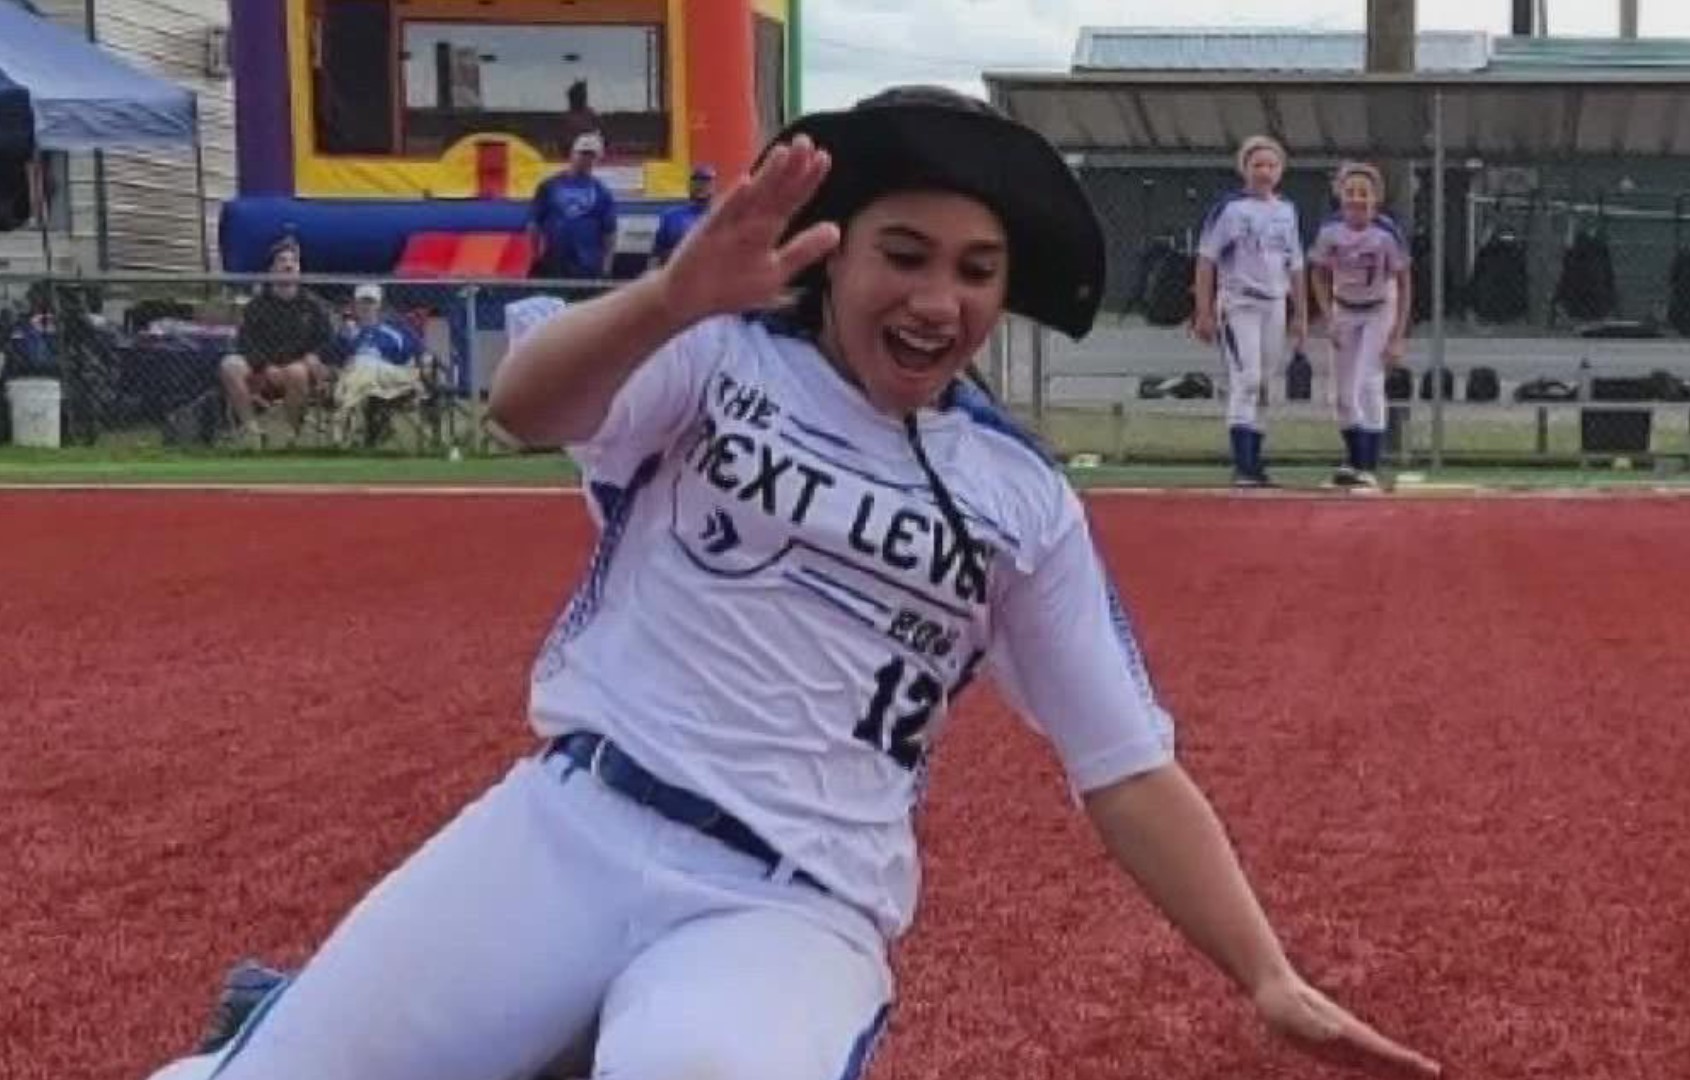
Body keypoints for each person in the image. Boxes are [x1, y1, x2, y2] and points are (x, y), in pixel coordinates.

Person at [140, 86, 1442, 1080]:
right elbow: (523, 409)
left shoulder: (1021, 500)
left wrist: (1264, 974)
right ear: (836, 254)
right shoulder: (719, 359)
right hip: (574, 825)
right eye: (906, 253)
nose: (938, 296)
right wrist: (668, 296)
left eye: (975, 271)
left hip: (792, 902)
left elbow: (1126, 764)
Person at [1190, 135, 1307, 488]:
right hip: (1240, 301)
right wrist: (1204, 310)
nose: (1265, 172)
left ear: (1281, 171)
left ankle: (1256, 460)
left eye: (1271, 165)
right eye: (1257, 165)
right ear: (1245, 169)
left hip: (1274, 301)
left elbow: (1296, 264)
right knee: (1247, 377)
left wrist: (1300, 312)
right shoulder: (1231, 209)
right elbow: (1207, 259)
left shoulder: (1286, 211)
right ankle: (1242, 463)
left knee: (1266, 382)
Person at [1308, 162, 1413, 492]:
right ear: (1339, 195)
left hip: (1379, 308)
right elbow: (1319, 273)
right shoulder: (1330, 231)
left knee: (1367, 381)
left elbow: (1405, 281)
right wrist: (1328, 315)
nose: (1356, 199)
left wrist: (1397, 334)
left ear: (1376, 198)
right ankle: (1354, 459)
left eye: (1364, 193)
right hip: (1345, 308)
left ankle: (1369, 464)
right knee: (1341, 392)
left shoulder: (1385, 233)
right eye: (1350, 192)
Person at [216, 237, 335, 448]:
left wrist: (313, 357)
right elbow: (246, 342)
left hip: (299, 370)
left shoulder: (315, 306)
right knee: (230, 364)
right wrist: (265, 366)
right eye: (282, 261)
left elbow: (328, 342)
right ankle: (252, 432)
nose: (289, 265)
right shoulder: (257, 305)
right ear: (271, 269)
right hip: (262, 369)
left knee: (296, 372)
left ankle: (291, 437)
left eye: (294, 261)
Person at [328, 283, 431, 445]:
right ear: (354, 305)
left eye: (371, 302)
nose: (366, 306)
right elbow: (333, 362)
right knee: (359, 366)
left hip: (390, 377)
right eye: (362, 301)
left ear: (379, 305)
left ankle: (344, 432)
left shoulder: (396, 329)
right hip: (354, 378)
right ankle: (359, 430)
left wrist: (423, 370)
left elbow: (421, 355)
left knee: (365, 364)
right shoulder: (346, 332)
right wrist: (346, 338)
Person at [528, 132, 618, 281]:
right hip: (553, 263)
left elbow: (610, 232)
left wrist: (606, 267)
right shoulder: (549, 185)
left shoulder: (602, 191)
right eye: (582, 153)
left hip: (588, 266)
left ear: (597, 159)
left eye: (591, 155)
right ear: (572, 153)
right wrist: (535, 255)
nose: (586, 159)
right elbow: (534, 224)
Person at [649, 163, 716, 269]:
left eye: (705, 182)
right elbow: (656, 254)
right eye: (696, 182)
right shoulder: (671, 217)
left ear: (714, 186)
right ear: (689, 186)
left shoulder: (721, 218)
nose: (700, 186)